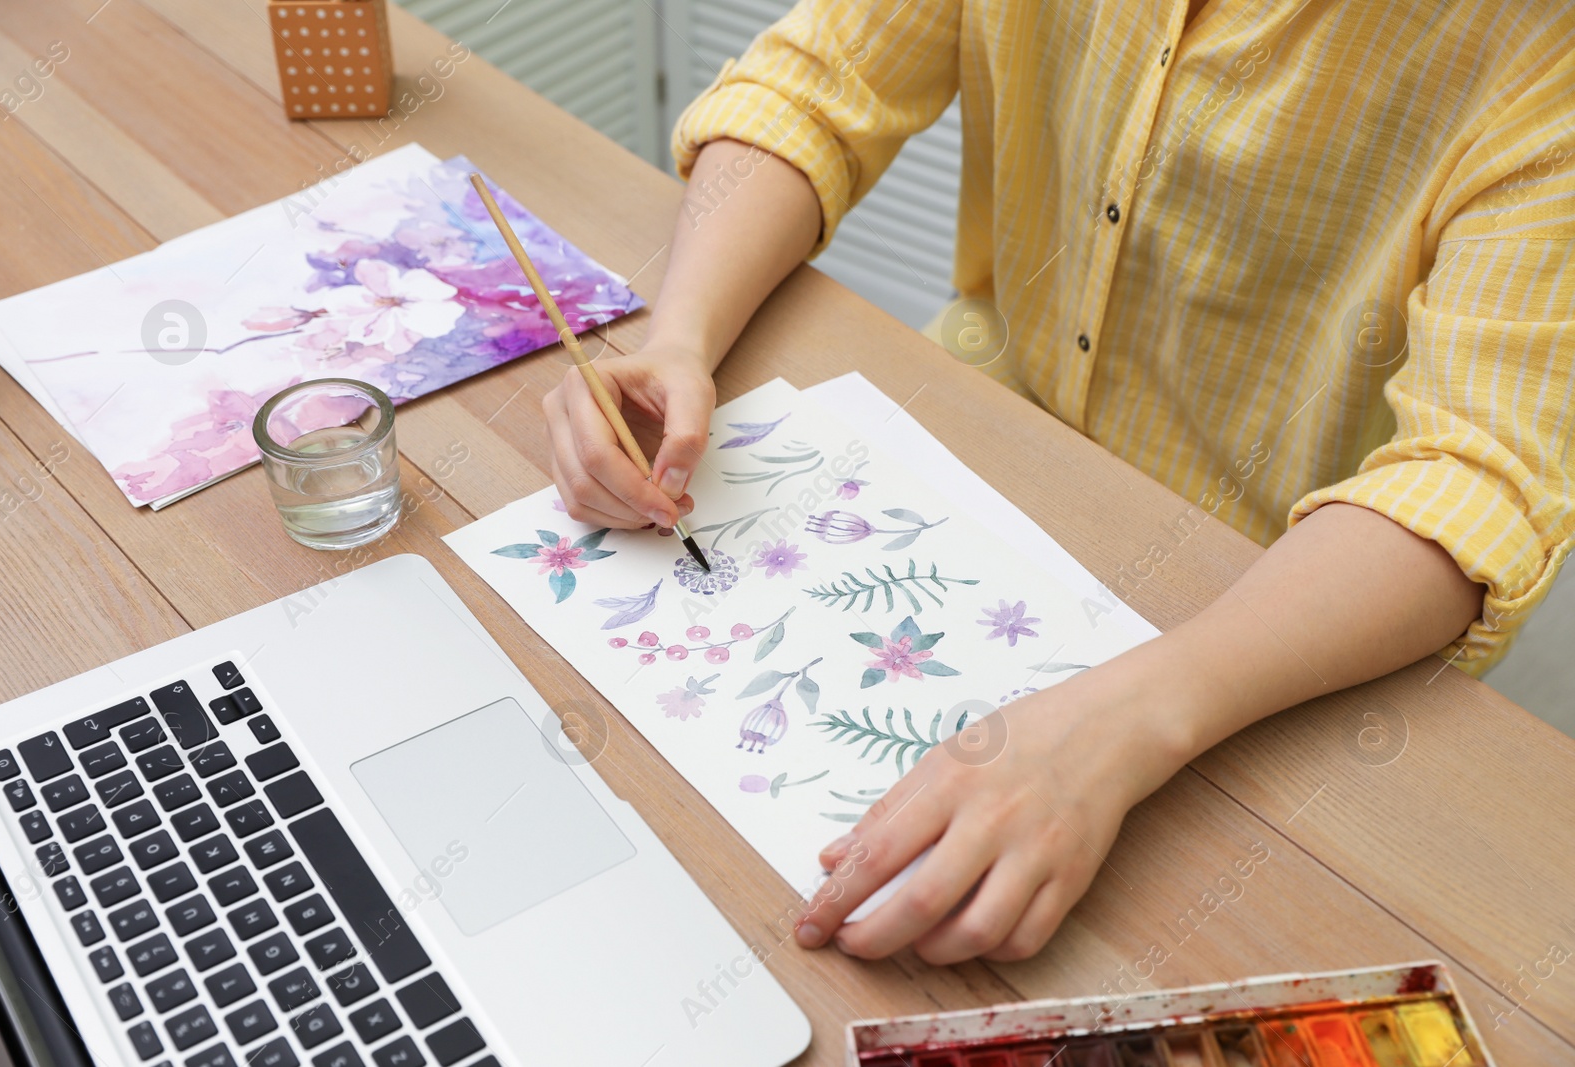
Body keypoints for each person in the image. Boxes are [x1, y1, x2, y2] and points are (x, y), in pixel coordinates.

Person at [542, 1, 1575, 964]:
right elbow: (813, 85)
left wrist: (1120, 725)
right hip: (984, 432)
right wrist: (679, 338)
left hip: (1286, 605)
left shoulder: (1541, 54)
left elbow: (1475, 476)